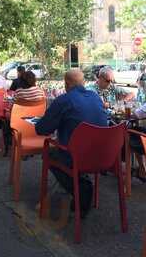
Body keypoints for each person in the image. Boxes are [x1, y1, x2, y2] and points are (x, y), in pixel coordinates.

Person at [35, 69, 108, 217]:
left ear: (66, 84)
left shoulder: (63, 100)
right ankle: (81, 181)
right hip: (104, 157)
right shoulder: (95, 97)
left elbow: (42, 129)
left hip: (77, 157)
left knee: (48, 153)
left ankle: (81, 188)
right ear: (83, 83)